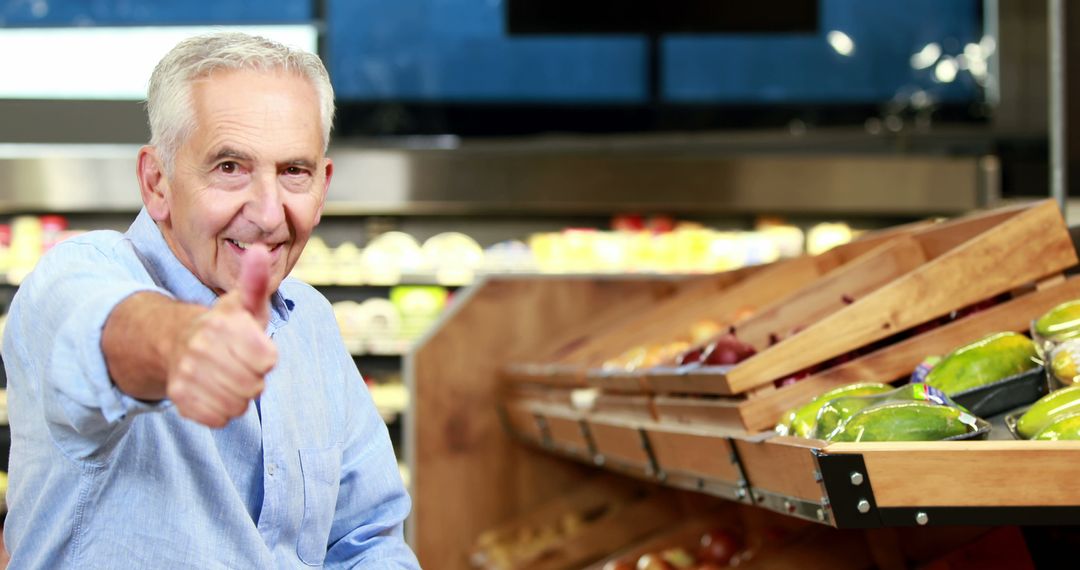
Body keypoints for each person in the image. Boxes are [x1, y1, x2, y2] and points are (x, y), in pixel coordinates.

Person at [2, 31, 420, 568]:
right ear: (156, 181)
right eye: (230, 168)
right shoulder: (76, 273)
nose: (269, 214)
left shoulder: (310, 322)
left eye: (294, 171)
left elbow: (364, 538)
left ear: (323, 185)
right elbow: (106, 330)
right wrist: (186, 344)